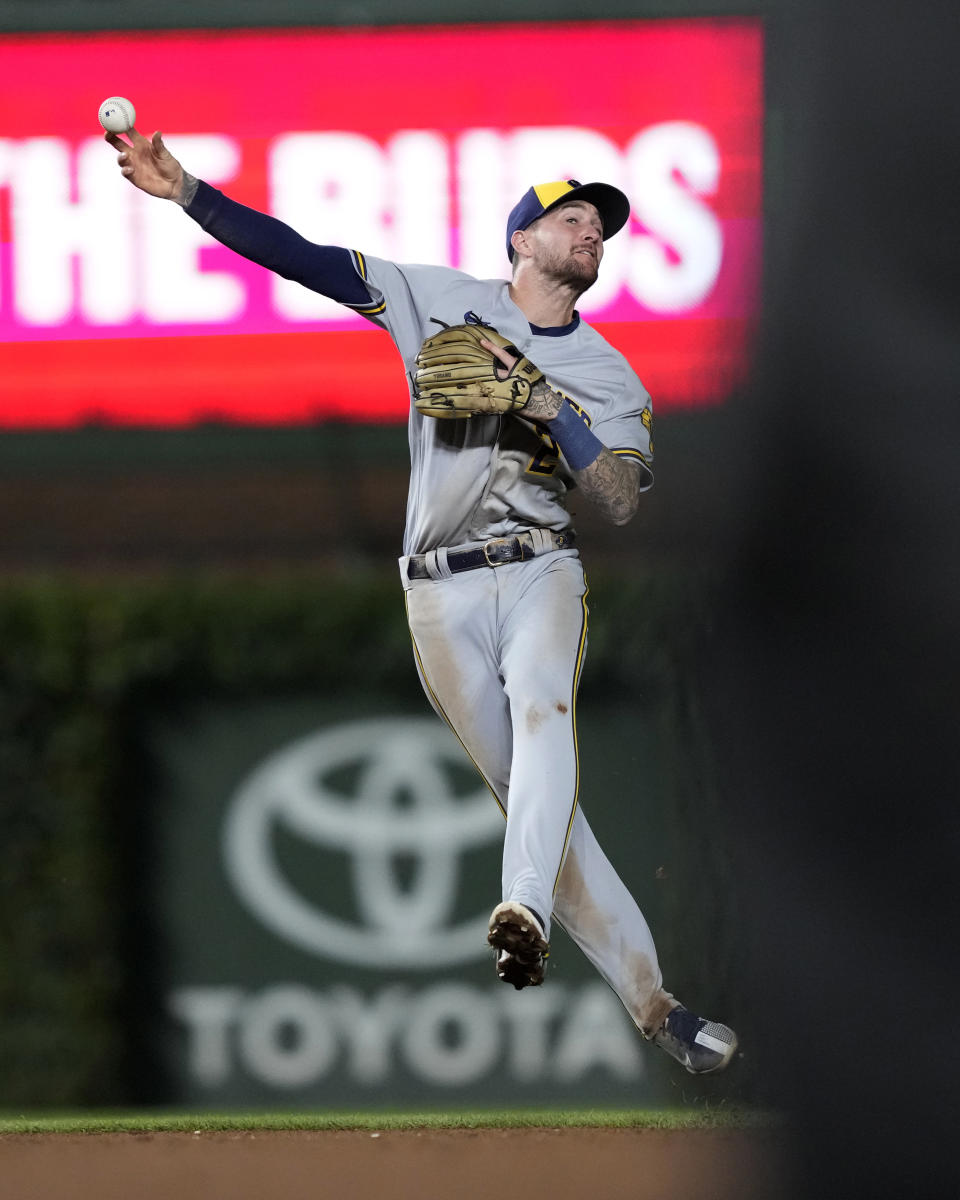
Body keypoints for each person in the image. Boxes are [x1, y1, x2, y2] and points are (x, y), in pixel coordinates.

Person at [106, 126, 737, 1075]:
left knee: (545, 713)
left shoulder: (608, 374)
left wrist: (544, 404)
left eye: (599, 227)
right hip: (435, 588)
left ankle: (519, 908)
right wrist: (188, 191)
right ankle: (659, 1010)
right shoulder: (437, 298)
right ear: (520, 239)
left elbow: (615, 499)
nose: (589, 234)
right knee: (541, 804)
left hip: (539, 568)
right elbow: (304, 258)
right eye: (569, 219)